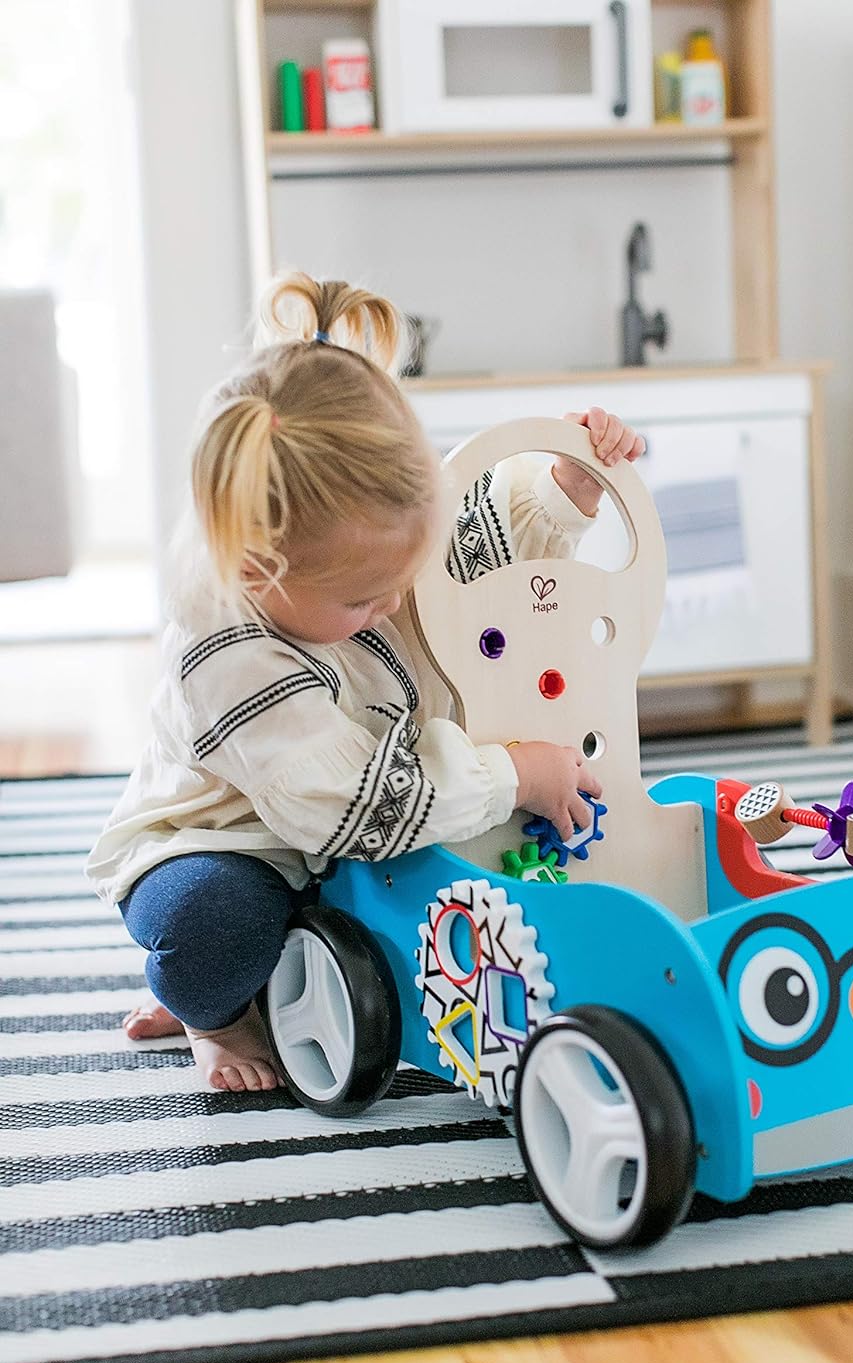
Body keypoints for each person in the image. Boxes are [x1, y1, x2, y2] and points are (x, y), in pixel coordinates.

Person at [86, 271, 645, 1093]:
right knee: (218, 927)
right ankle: (212, 1014)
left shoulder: (363, 541)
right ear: (257, 568)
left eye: (403, 573)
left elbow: (475, 557)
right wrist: (514, 773)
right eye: (361, 599)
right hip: (236, 844)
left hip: (358, 830)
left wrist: (564, 493)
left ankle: (265, 966)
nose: (393, 605)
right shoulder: (227, 651)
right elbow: (350, 800)